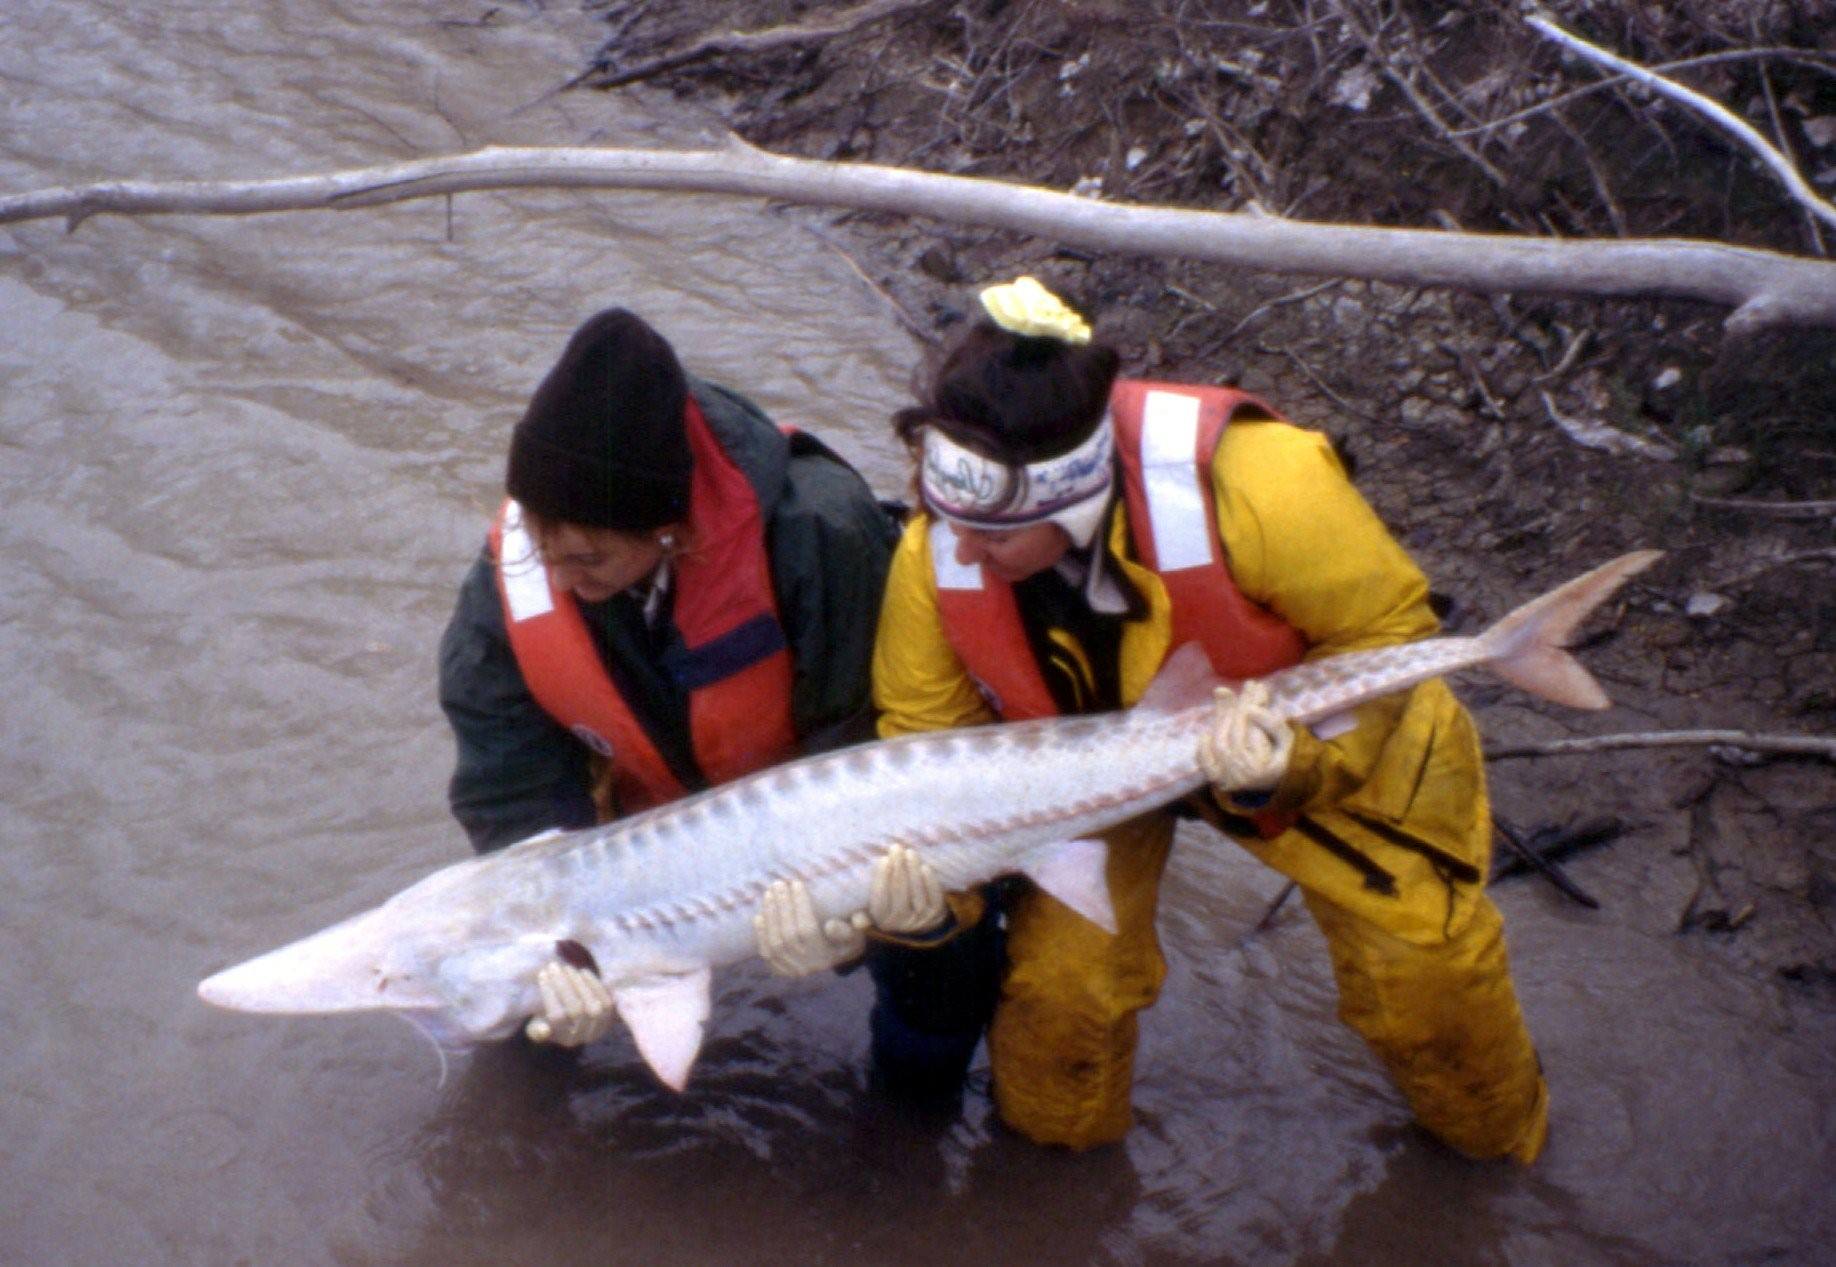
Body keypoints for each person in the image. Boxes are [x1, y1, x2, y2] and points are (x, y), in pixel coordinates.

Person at [781, 275, 1548, 1159]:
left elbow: (1385, 633)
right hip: (1086, 776)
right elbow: (924, 760)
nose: (954, 548)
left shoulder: (1265, 482)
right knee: (1061, 1003)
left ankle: (1500, 1154)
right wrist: (920, 906)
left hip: (1300, 728)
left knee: (1422, 978)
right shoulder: (938, 548)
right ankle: (1061, 1193)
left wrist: (1290, 761)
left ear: (1062, 503)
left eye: (988, 537)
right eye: (939, 516)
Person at [438, 306, 971, 1051]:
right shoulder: (521, 572)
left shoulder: (821, 533)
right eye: (540, 543)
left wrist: (844, 911)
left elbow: (884, 738)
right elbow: (508, 788)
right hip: (642, 816)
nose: (553, 577)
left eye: (587, 561)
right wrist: (558, 954)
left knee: (944, 952)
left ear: (671, 530)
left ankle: (912, 1124)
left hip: (817, 803)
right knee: (515, 1008)